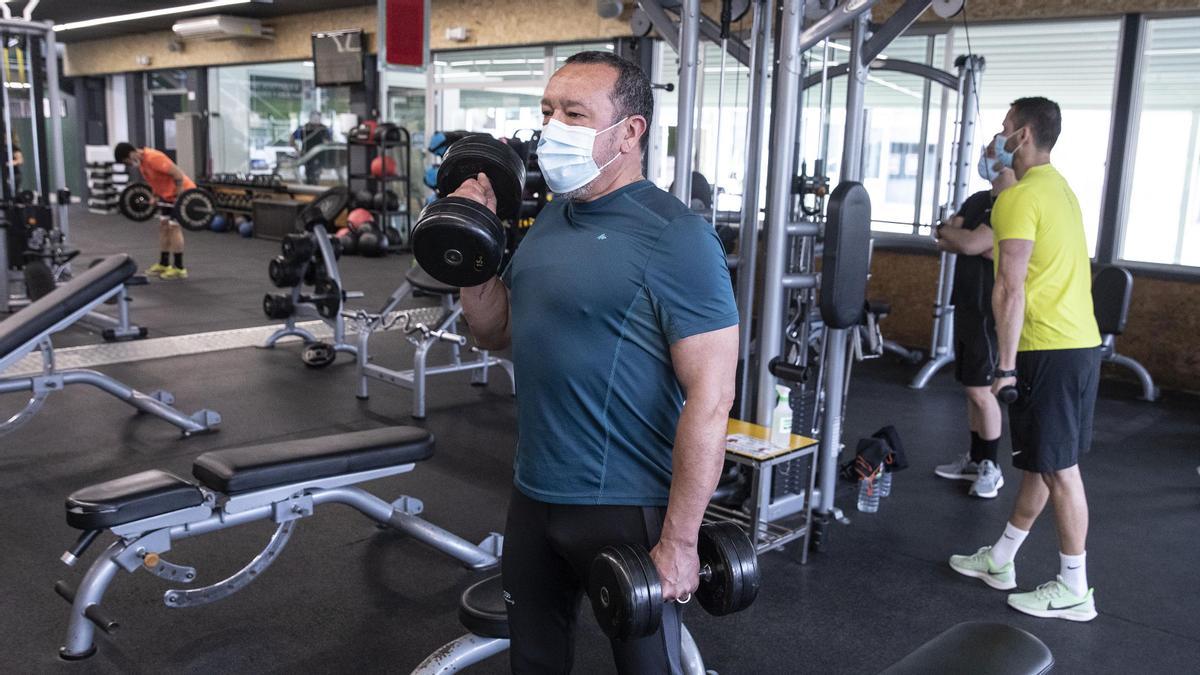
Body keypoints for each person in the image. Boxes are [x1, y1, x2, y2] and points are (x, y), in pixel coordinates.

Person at [458, 51, 740, 672]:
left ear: (630, 131)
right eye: (547, 111)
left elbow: (712, 397)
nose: (552, 127)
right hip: (534, 492)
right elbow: (493, 331)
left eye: (574, 113)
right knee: (533, 662)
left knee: (648, 668)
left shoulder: (677, 237)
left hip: (627, 506)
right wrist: (474, 242)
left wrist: (681, 540)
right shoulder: (552, 217)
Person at [949, 97, 1102, 622]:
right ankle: (1002, 558)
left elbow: (1010, 287)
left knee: (1060, 470)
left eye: (1005, 129)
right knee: (1043, 462)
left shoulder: (1018, 198)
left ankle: (1075, 588)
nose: (998, 137)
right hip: (1079, 344)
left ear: (1024, 137)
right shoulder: (1059, 189)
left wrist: (1006, 364)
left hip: (1048, 348)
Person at [932, 138, 1017, 499]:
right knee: (971, 387)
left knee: (982, 392)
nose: (984, 157)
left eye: (990, 151)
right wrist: (963, 236)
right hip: (965, 303)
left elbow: (964, 243)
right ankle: (974, 459)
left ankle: (991, 467)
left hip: (989, 310)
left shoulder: (1013, 204)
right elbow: (945, 236)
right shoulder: (979, 200)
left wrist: (964, 237)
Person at [114, 142, 195, 280]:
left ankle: (179, 268)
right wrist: (154, 196)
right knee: (164, 227)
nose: (129, 164)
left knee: (174, 228)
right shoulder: (142, 164)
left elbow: (177, 174)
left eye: (126, 161)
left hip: (182, 194)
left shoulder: (153, 158)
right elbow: (156, 182)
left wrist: (180, 197)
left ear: (131, 153)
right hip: (167, 196)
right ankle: (164, 263)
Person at [293, 111, 331, 185]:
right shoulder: (303, 129)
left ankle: (313, 185)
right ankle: (310, 186)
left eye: (317, 118)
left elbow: (328, 143)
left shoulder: (323, 129)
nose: (315, 120)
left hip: (318, 155)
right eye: (314, 118)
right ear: (310, 118)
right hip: (308, 155)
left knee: (315, 173)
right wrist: (297, 150)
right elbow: (292, 139)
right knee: (309, 172)